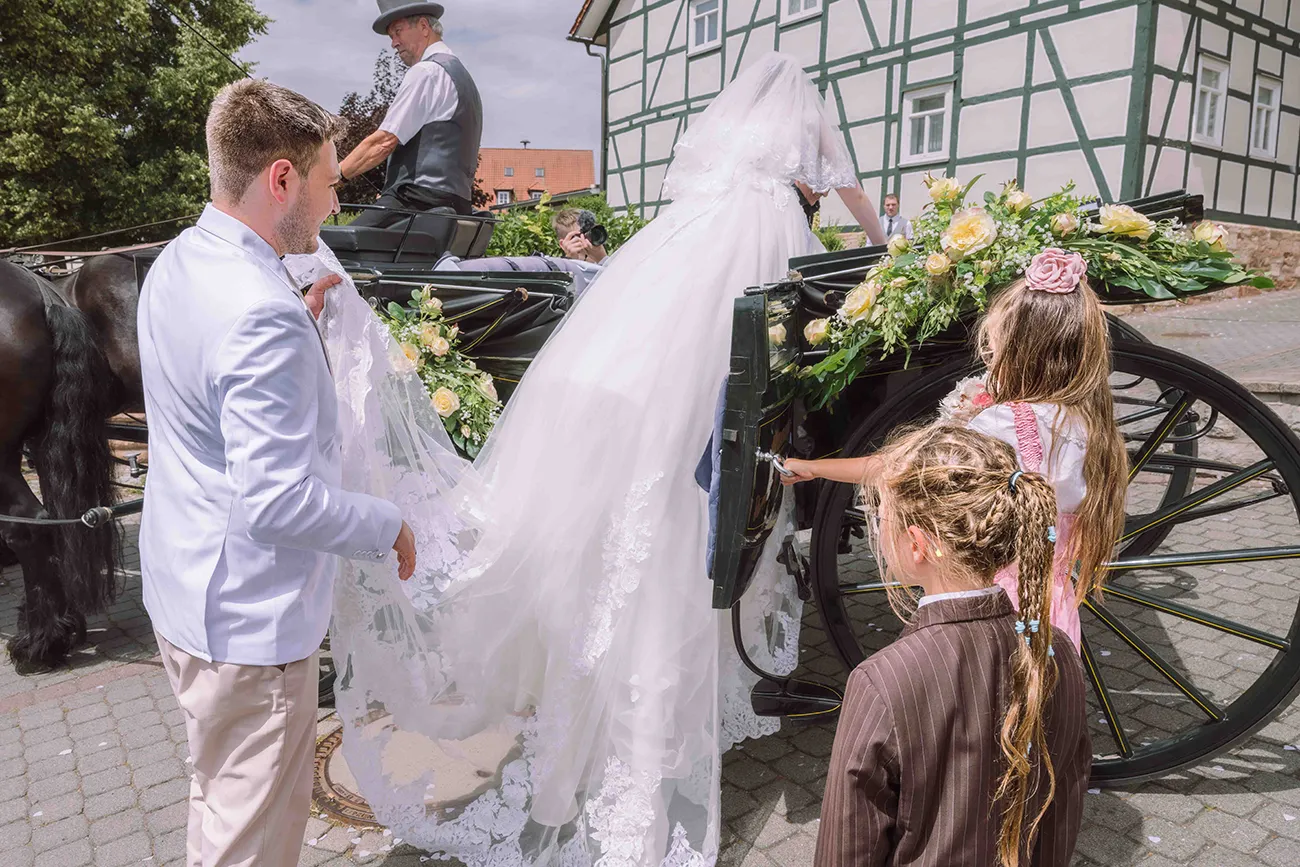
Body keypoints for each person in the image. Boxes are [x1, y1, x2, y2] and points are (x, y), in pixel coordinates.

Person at [310, 52, 883, 866]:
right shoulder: (796, 161)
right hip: (751, 286)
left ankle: (592, 685)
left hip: (668, 282)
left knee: (653, 458)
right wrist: (881, 243)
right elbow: (852, 190)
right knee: (690, 454)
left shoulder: (710, 184)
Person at [136, 79, 417, 866]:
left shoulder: (179, 261)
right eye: (329, 183)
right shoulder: (261, 308)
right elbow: (277, 501)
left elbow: (212, 402)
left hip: (183, 588)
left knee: (218, 796)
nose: (333, 205)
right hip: (248, 627)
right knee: (253, 840)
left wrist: (304, 326)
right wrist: (385, 521)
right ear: (282, 179)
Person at [781, 248, 1127, 650]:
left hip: (992, 614)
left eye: (994, 351)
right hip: (1054, 612)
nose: (990, 362)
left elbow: (900, 466)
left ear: (1023, 353)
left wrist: (819, 467)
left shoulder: (1003, 425)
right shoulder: (1091, 429)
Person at [815, 424, 1091, 867]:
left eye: (883, 518)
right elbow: (1062, 807)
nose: (881, 537)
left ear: (919, 545)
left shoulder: (882, 681)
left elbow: (847, 846)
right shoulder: (1057, 650)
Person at [342, 2, 482, 226]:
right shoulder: (461, 76)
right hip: (456, 204)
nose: (393, 43)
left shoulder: (426, 72)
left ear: (424, 26)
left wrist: (336, 177)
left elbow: (384, 142)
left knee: (333, 249)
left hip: (418, 202)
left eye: (398, 32)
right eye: (390, 36)